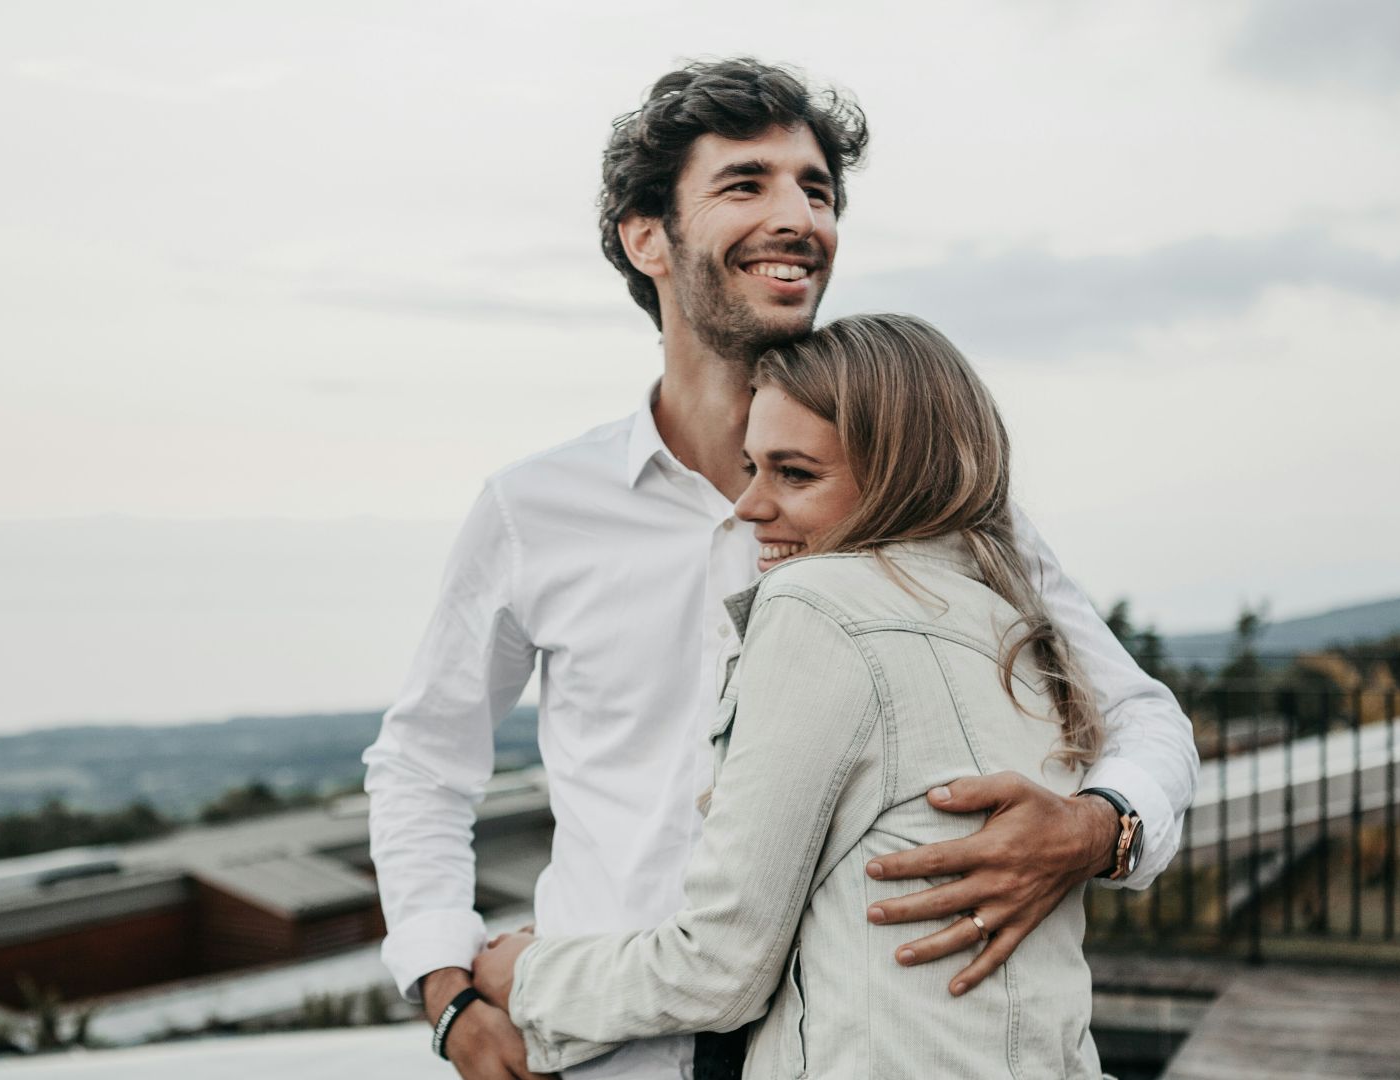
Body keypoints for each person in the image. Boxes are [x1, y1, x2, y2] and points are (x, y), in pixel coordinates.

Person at [363, 58, 1197, 1080]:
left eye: (818, 190)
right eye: (746, 183)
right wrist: (446, 991)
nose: (799, 217)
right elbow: (423, 762)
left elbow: (1141, 715)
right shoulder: (533, 508)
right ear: (646, 237)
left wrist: (1097, 829)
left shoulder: (931, 503)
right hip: (598, 1049)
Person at [470, 312, 1118, 1079]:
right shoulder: (1018, 626)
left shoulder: (816, 605)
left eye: (796, 474)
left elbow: (719, 968)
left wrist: (525, 976)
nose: (748, 506)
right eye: (752, 468)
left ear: (901, 474)